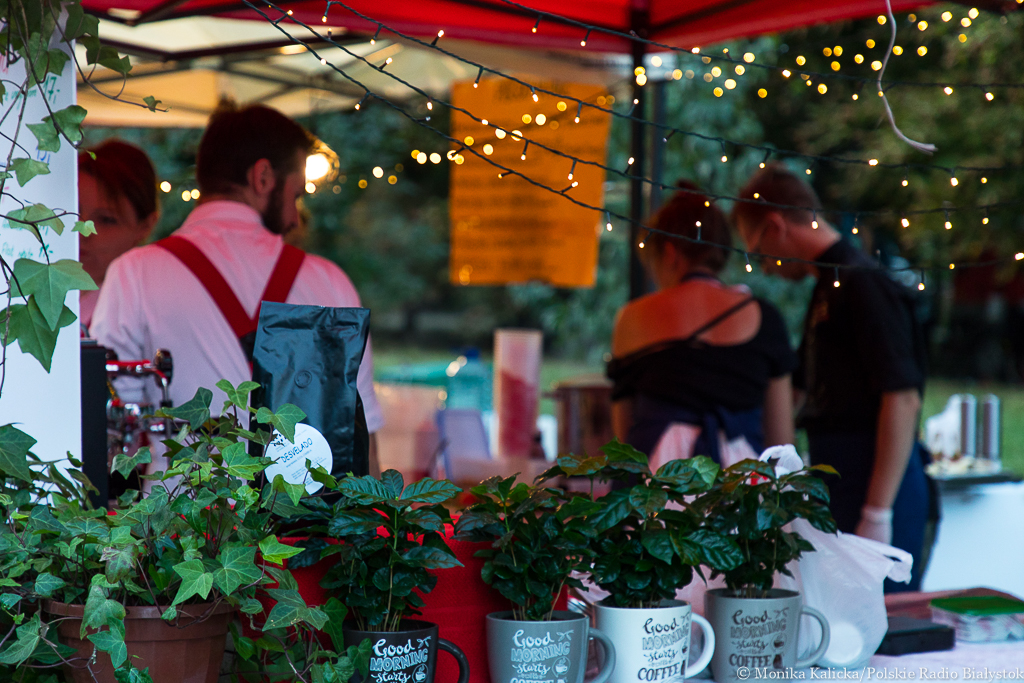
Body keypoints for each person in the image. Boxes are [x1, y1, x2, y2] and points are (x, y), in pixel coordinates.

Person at [92, 104, 384, 474]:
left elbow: (110, 432)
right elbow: (362, 444)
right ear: (262, 177)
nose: (295, 217)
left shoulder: (133, 274)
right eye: (296, 195)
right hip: (297, 526)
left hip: (179, 522)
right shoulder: (330, 282)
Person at [733, 164, 931, 592]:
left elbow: (903, 398)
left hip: (876, 484)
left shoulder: (861, 284)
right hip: (841, 481)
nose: (764, 269)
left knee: (875, 638)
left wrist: (878, 512)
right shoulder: (828, 286)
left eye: (759, 254)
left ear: (775, 225)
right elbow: (804, 388)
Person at [607, 181, 797, 470]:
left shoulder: (632, 318)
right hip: (744, 487)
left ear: (669, 253)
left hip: (657, 489)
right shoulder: (764, 317)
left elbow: (624, 441)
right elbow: (782, 443)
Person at [78, 140, 160, 332]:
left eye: (106, 219)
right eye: (72, 213)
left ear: (145, 226)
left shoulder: (147, 313)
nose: (83, 231)